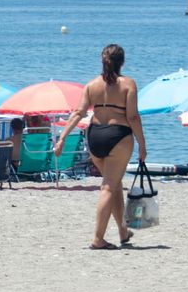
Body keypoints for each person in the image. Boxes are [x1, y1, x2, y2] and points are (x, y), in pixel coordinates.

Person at [55, 44, 146, 249]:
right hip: (118, 136)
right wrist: (142, 144)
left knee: (113, 184)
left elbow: (78, 112)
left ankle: (123, 231)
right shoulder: (128, 84)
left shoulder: (91, 85)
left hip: (94, 136)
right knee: (108, 187)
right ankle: (98, 238)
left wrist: (62, 138)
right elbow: (132, 116)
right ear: (122, 62)